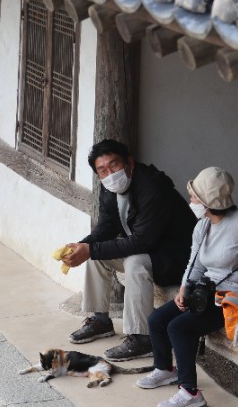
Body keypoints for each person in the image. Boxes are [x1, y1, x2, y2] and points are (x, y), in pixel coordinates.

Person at [135, 167, 238, 407]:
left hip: (235, 298)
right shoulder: (203, 225)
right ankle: (165, 369)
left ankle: (190, 393)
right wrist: (184, 289)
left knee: (179, 327)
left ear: (207, 200)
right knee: (157, 320)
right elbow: (195, 264)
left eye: (194, 197)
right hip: (206, 291)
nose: (191, 200)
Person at [61, 140, 197, 362]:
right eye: (102, 170)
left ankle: (143, 338)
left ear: (129, 163)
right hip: (150, 251)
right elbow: (106, 228)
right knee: (96, 255)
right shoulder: (109, 188)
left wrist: (90, 249)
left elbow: (143, 241)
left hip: (178, 259)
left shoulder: (153, 188)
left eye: (114, 165)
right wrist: (81, 247)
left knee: (133, 262)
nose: (110, 174)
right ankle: (100, 320)